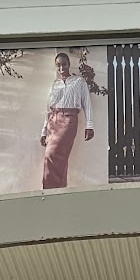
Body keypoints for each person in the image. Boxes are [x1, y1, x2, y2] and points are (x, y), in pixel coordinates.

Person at [38, 50, 94, 189]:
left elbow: (87, 104)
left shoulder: (78, 81)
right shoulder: (54, 84)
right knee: (56, 157)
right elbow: (48, 109)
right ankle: (59, 190)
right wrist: (44, 131)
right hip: (53, 121)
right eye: (58, 65)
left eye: (64, 65)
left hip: (69, 120)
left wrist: (89, 125)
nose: (61, 68)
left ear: (69, 64)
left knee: (52, 154)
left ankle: (49, 190)